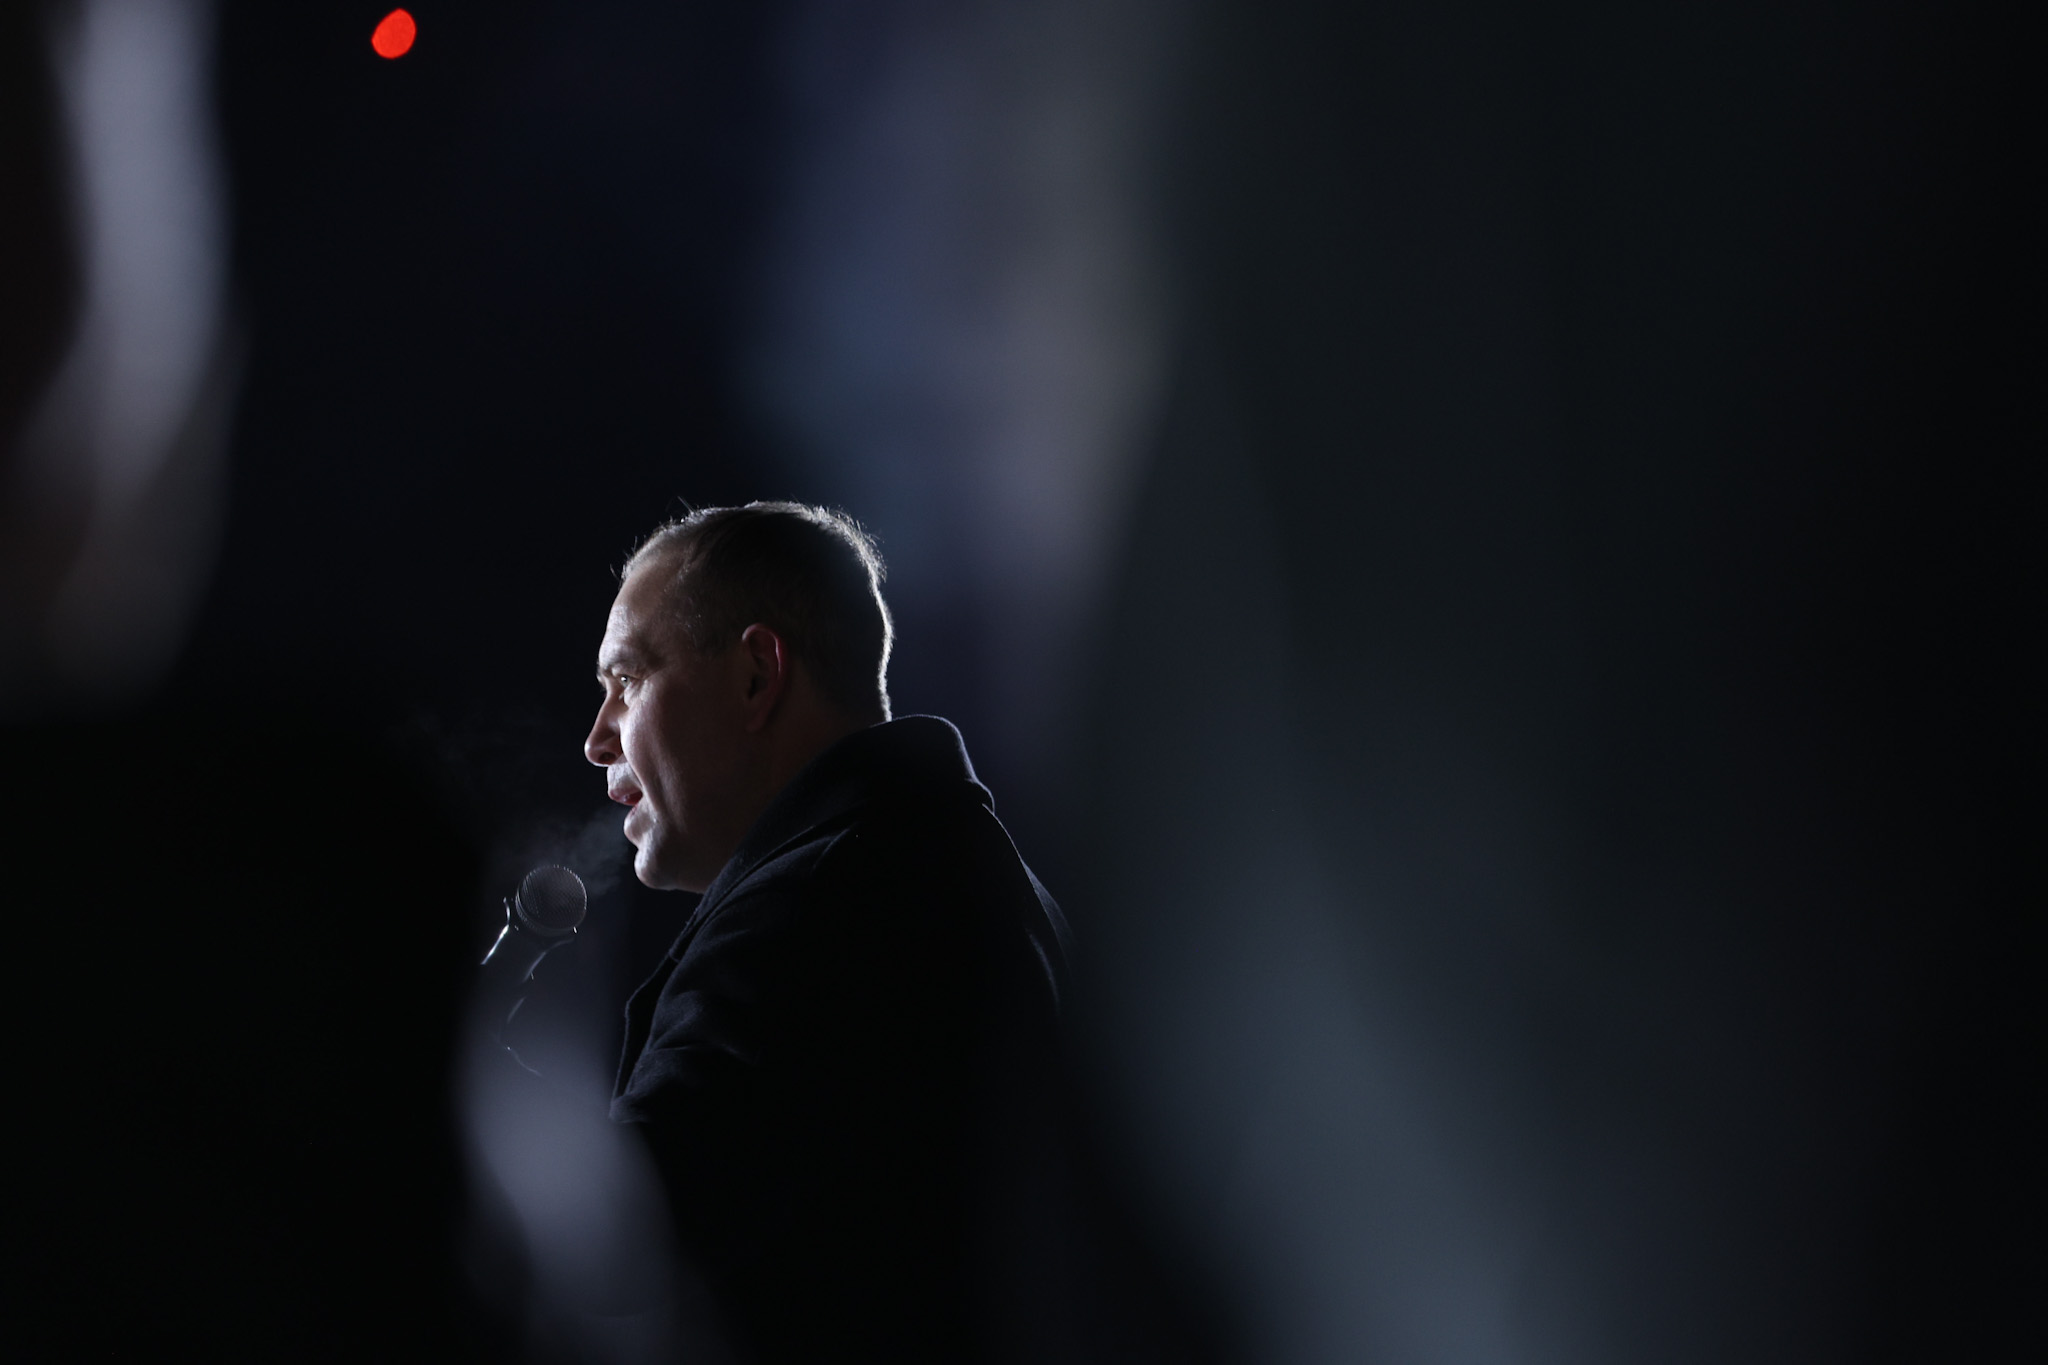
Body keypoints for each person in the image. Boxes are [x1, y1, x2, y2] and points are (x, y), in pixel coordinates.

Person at [583, 502, 1075, 1362]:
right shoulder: (959, 867)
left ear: (756, 676)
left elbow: (620, 1239)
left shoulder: (809, 908)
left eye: (627, 679)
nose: (597, 740)